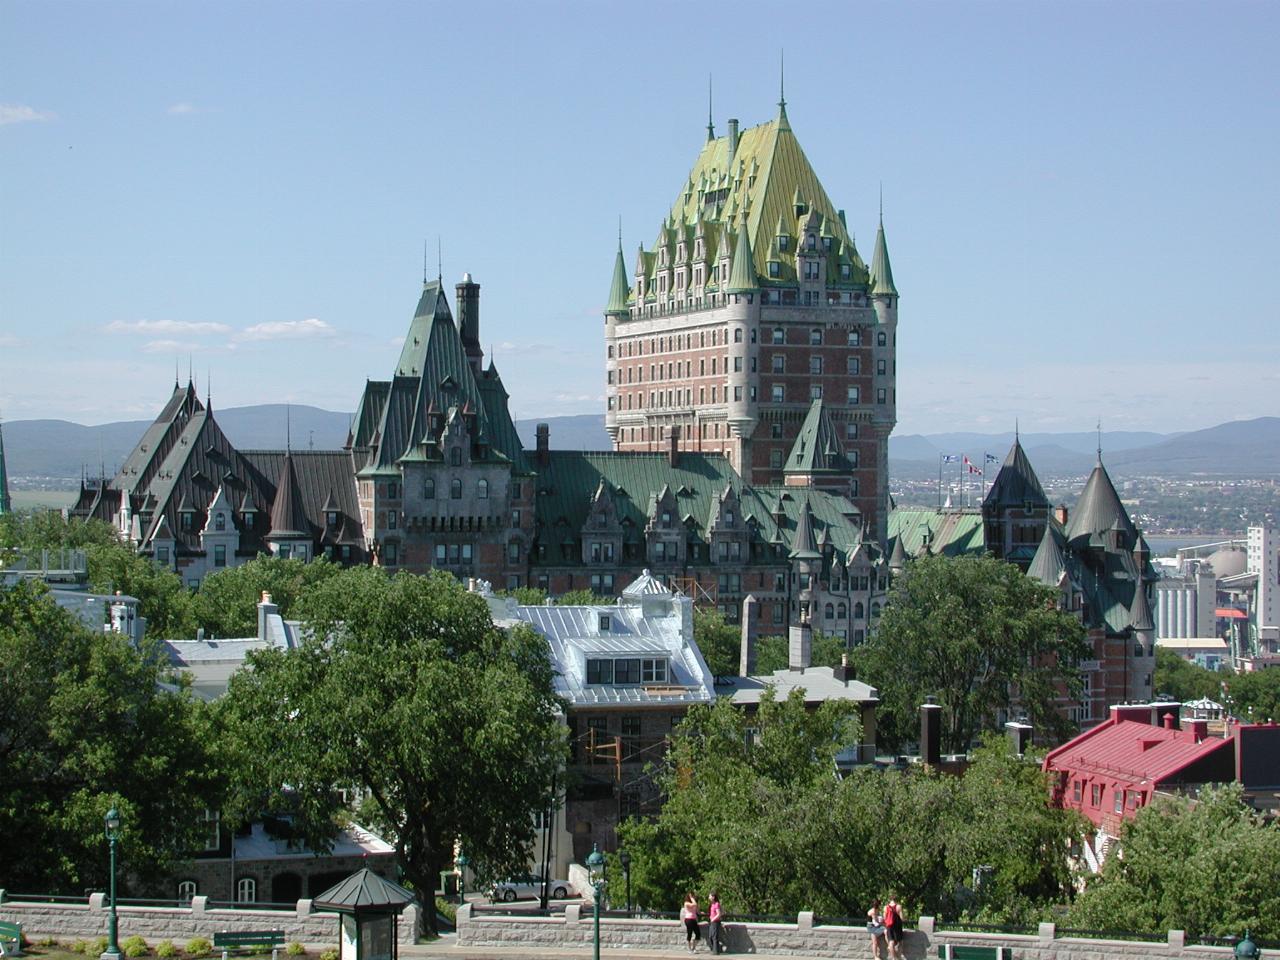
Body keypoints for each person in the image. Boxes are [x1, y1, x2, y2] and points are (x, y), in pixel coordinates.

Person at [883, 896, 905, 960]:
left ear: (889, 899)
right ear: (896, 899)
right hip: (897, 926)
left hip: (889, 926)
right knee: (900, 942)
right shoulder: (898, 907)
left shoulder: (885, 907)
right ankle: (899, 957)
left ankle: (893, 958)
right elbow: (902, 918)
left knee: (891, 942)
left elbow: (884, 918)